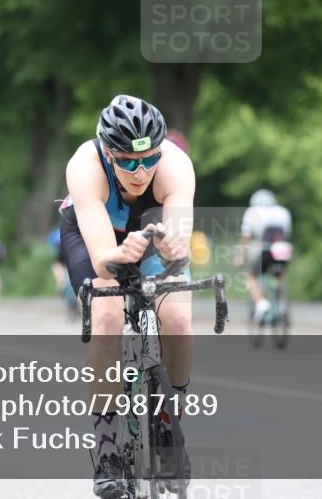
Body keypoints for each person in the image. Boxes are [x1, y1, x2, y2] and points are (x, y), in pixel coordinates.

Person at [60, 94, 193, 498]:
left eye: (149, 159)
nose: (141, 171)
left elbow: (179, 241)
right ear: (107, 152)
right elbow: (103, 261)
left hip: (150, 236)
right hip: (95, 238)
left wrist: (173, 247)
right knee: (107, 317)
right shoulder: (85, 165)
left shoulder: (175, 165)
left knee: (179, 318)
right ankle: (107, 452)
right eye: (128, 161)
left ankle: (171, 423)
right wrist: (117, 254)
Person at [235, 189, 292, 322]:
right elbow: (287, 234)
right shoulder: (283, 212)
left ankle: (261, 303)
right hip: (283, 249)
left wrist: (240, 256)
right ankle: (283, 305)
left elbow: (246, 238)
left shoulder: (252, 212)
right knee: (281, 274)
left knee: (251, 276)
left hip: (266, 250)